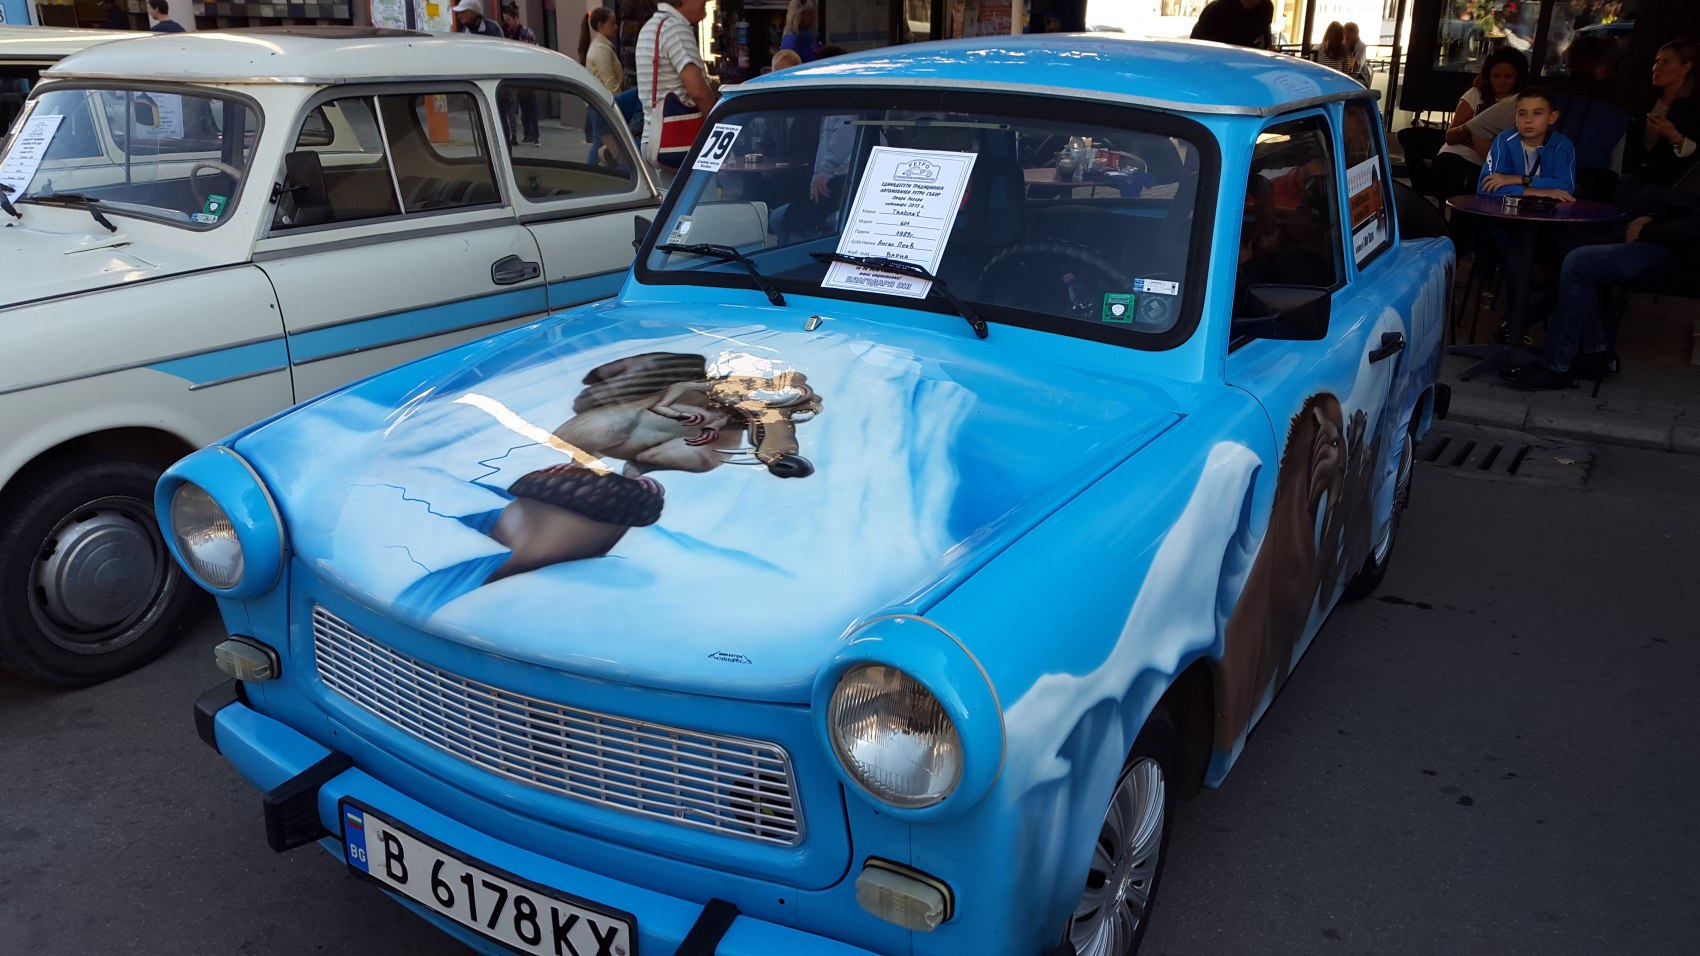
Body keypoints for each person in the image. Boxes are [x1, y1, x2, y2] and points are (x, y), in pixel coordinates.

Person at [1500, 164, 1700, 390]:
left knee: (1580, 262)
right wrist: (1650, 218)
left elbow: (1693, 228)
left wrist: (1646, 231)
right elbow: (1681, 203)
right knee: (1577, 250)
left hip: (1676, 258)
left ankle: (1556, 365)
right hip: (1665, 243)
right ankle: (1598, 353)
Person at [1436, 48, 1528, 199]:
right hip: (1457, 158)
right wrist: (1477, 123)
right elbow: (1450, 137)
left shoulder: (1522, 101)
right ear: (1488, 75)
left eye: (1508, 76)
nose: (1501, 82)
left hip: (1492, 165)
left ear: (1519, 76)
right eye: (1496, 76)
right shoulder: (1475, 95)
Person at [637, 0, 716, 174]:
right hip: (681, 140)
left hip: (655, 138)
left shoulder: (651, 27)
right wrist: (718, 124)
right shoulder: (675, 28)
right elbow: (697, 91)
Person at [1620, 39, 1700, 205]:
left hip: (1674, 179)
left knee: (1646, 195)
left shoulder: (1694, 106)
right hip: (1641, 171)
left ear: (1686, 67)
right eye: (1657, 61)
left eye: (1666, 62)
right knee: (1624, 184)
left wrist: (1674, 137)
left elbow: (1694, 156)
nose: (1657, 67)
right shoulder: (1647, 99)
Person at [1480, 87, 1577, 200]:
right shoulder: (1503, 141)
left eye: (1537, 113)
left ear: (1552, 117)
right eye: (1522, 114)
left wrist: (1517, 179)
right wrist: (1541, 192)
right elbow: (1485, 187)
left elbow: (1566, 186)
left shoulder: (1562, 145)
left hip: (1547, 209)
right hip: (1506, 209)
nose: (1528, 120)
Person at [1189, 0, 1273, 49]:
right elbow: (1198, 45)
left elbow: (1264, 39)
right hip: (1213, 61)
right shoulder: (1217, 10)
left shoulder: (1265, 9)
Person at [585, 7, 623, 98]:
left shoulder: (601, 47)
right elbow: (610, 83)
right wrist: (620, 103)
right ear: (600, 25)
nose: (616, 27)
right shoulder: (601, 49)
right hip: (604, 102)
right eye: (612, 23)